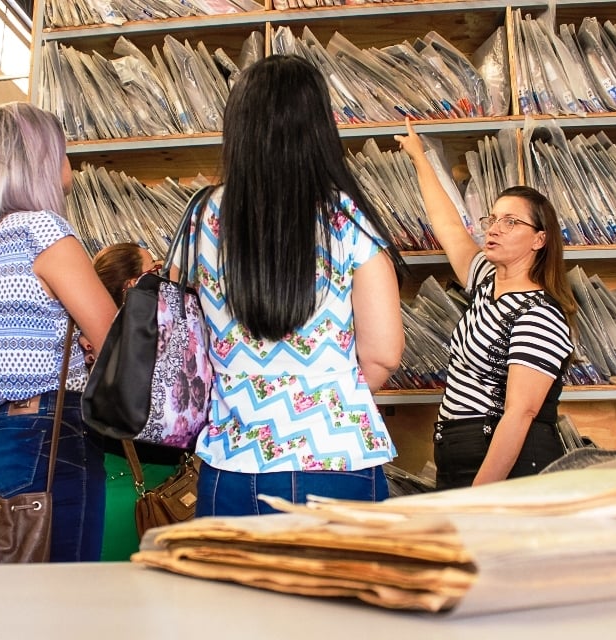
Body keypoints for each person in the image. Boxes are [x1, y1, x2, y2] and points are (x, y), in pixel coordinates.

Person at [180, 55, 406, 516]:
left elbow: (181, 335)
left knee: (232, 591)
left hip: (231, 462)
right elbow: (383, 352)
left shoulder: (203, 216)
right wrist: (326, 402)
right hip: (340, 458)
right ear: (320, 127)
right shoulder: (346, 218)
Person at [0, 102, 117, 562]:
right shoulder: (41, 229)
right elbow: (115, 339)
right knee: (61, 603)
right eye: (62, 150)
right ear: (39, 159)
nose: (71, 163)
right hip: (52, 437)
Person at [395, 119, 577, 489]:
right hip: (461, 450)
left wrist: (479, 495)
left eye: (510, 222)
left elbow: (520, 414)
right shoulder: (485, 281)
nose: (493, 228)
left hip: (504, 459)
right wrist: (420, 158)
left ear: (539, 239)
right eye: (492, 219)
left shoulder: (539, 313)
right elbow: (448, 227)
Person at [91, 242, 182, 560]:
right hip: (145, 495)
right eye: (155, 270)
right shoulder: (148, 342)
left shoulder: (93, 341)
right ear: (133, 285)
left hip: (115, 486)